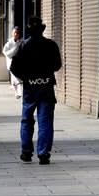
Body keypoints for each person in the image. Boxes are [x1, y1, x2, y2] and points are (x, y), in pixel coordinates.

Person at [9, 16, 62, 165]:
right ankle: (43, 153)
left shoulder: (24, 45)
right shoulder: (51, 45)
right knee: (45, 121)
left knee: (27, 120)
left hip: (30, 88)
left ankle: (26, 152)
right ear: (42, 29)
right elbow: (57, 65)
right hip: (46, 87)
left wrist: (26, 78)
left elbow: (14, 67)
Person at [3, 26, 23, 99]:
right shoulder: (9, 43)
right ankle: (18, 92)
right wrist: (13, 51)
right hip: (11, 64)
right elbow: (5, 52)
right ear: (12, 33)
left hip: (18, 64)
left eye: (17, 33)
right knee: (15, 78)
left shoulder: (21, 42)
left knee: (16, 79)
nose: (16, 34)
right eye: (15, 33)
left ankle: (18, 93)